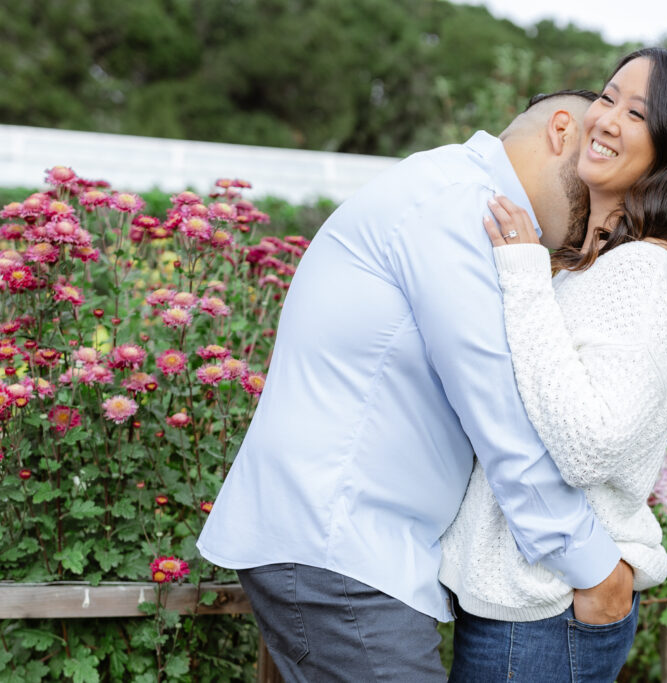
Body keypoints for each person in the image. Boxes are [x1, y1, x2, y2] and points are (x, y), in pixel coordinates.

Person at [195, 90, 636, 682]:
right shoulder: (461, 207)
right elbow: (501, 414)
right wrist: (595, 565)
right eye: (600, 181)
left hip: (354, 548)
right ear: (563, 131)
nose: (610, 209)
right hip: (340, 549)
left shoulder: (460, 195)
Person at [440, 47, 667, 681]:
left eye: (638, 113)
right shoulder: (595, 268)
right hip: (529, 603)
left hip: (549, 611)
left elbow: (589, 443)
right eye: (607, 99)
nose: (606, 119)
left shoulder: (646, 271)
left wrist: (523, 275)